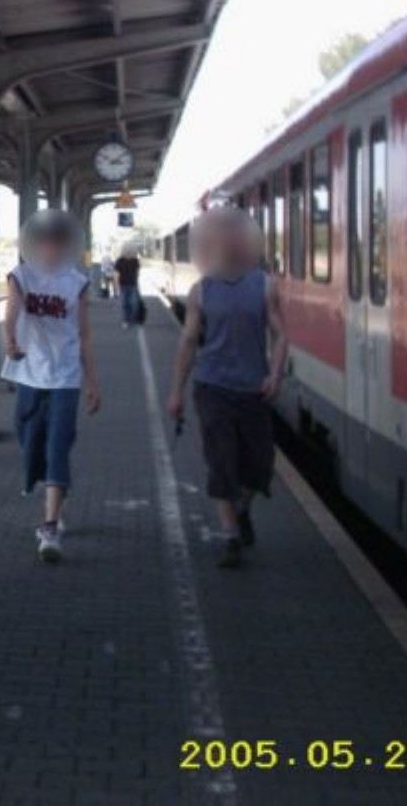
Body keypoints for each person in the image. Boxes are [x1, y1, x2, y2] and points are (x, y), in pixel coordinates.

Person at [166, 207, 287, 568]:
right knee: (221, 463)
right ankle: (230, 535)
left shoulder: (264, 286)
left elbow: (280, 335)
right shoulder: (201, 291)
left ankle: (241, 510)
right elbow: (189, 341)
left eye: (234, 239)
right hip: (212, 388)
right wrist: (176, 392)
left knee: (259, 466)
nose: (227, 244)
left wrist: (275, 374)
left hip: (254, 389)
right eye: (219, 240)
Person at [2, 210, 102, 564]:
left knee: (58, 443)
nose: (51, 250)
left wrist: (92, 381)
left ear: (67, 247)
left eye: (57, 244)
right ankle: (53, 490)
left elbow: (85, 334)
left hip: (65, 376)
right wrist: (10, 340)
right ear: (34, 245)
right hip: (30, 372)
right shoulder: (21, 276)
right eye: (45, 244)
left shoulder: (77, 283)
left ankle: (49, 527)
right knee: (29, 439)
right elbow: (11, 313)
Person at [114, 247, 141, 327]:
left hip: (132, 284)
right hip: (123, 285)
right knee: (125, 303)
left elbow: (137, 272)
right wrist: (116, 286)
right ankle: (126, 320)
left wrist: (136, 282)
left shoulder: (135, 260)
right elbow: (116, 274)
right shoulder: (119, 261)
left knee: (131, 303)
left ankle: (131, 319)